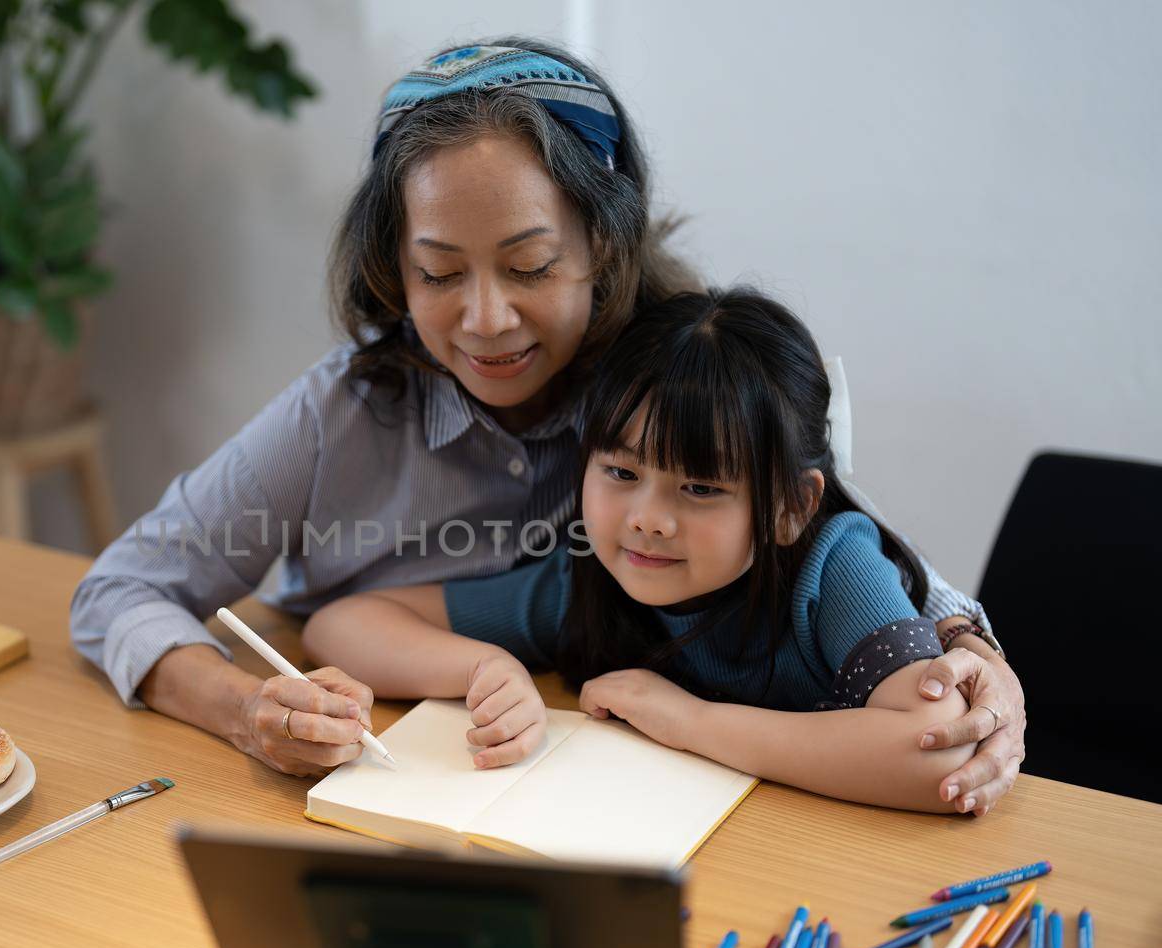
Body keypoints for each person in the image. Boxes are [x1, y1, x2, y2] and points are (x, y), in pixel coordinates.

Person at [70, 39, 1024, 814]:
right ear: (391, 268)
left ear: (605, 248)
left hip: (643, 776)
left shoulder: (657, 377)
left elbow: (831, 527)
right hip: (381, 760)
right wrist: (246, 711)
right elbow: (119, 590)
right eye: (439, 274)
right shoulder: (345, 410)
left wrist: (968, 647)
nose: (484, 320)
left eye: (529, 266)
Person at [304, 289, 983, 812]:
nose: (648, 520)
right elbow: (340, 625)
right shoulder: (591, 580)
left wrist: (690, 721)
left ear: (790, 506)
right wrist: (484, 665)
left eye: (699, 487)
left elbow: (933, 756)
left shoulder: (836, 567)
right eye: (621, 473)